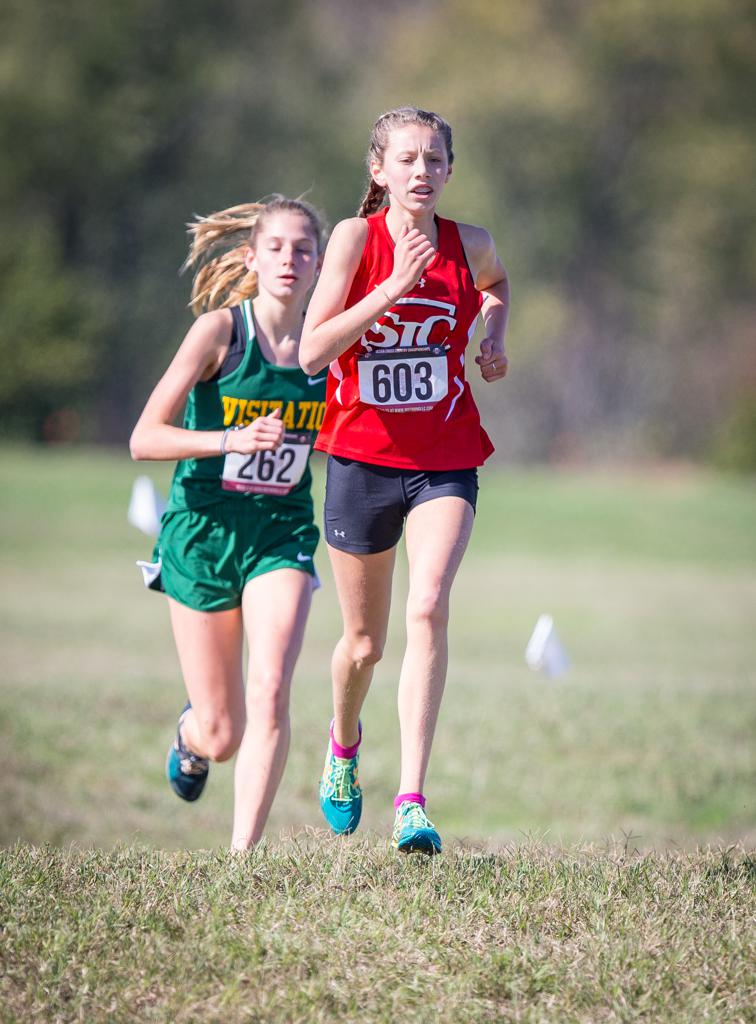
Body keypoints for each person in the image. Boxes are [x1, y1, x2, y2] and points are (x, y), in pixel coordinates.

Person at [299, 106, 509, 855]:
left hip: (445, 456)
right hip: (359, 459)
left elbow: (495, 283)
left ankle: (412, 800)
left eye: (436, 159)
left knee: (428, 608)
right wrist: (394, 288)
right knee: (363, 644)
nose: (423, 171)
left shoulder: (471, 242)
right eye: (408, 159)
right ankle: (344, 745)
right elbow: (313, 353)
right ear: (379, 171)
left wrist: (494, 330)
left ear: (451, 170)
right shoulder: (356, 241)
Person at [130, 196, 327, 850]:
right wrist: (228, 441)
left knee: (271, 688)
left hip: (281, 531)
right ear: (252, 256)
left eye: (304, 249)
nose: (290, 261)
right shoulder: (220, 333)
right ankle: (191, 735)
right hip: (203, 533)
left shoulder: (329, 347)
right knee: (223, 735)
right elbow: (144, 438)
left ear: (321, 261)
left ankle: (242, 859)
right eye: (277, 248)